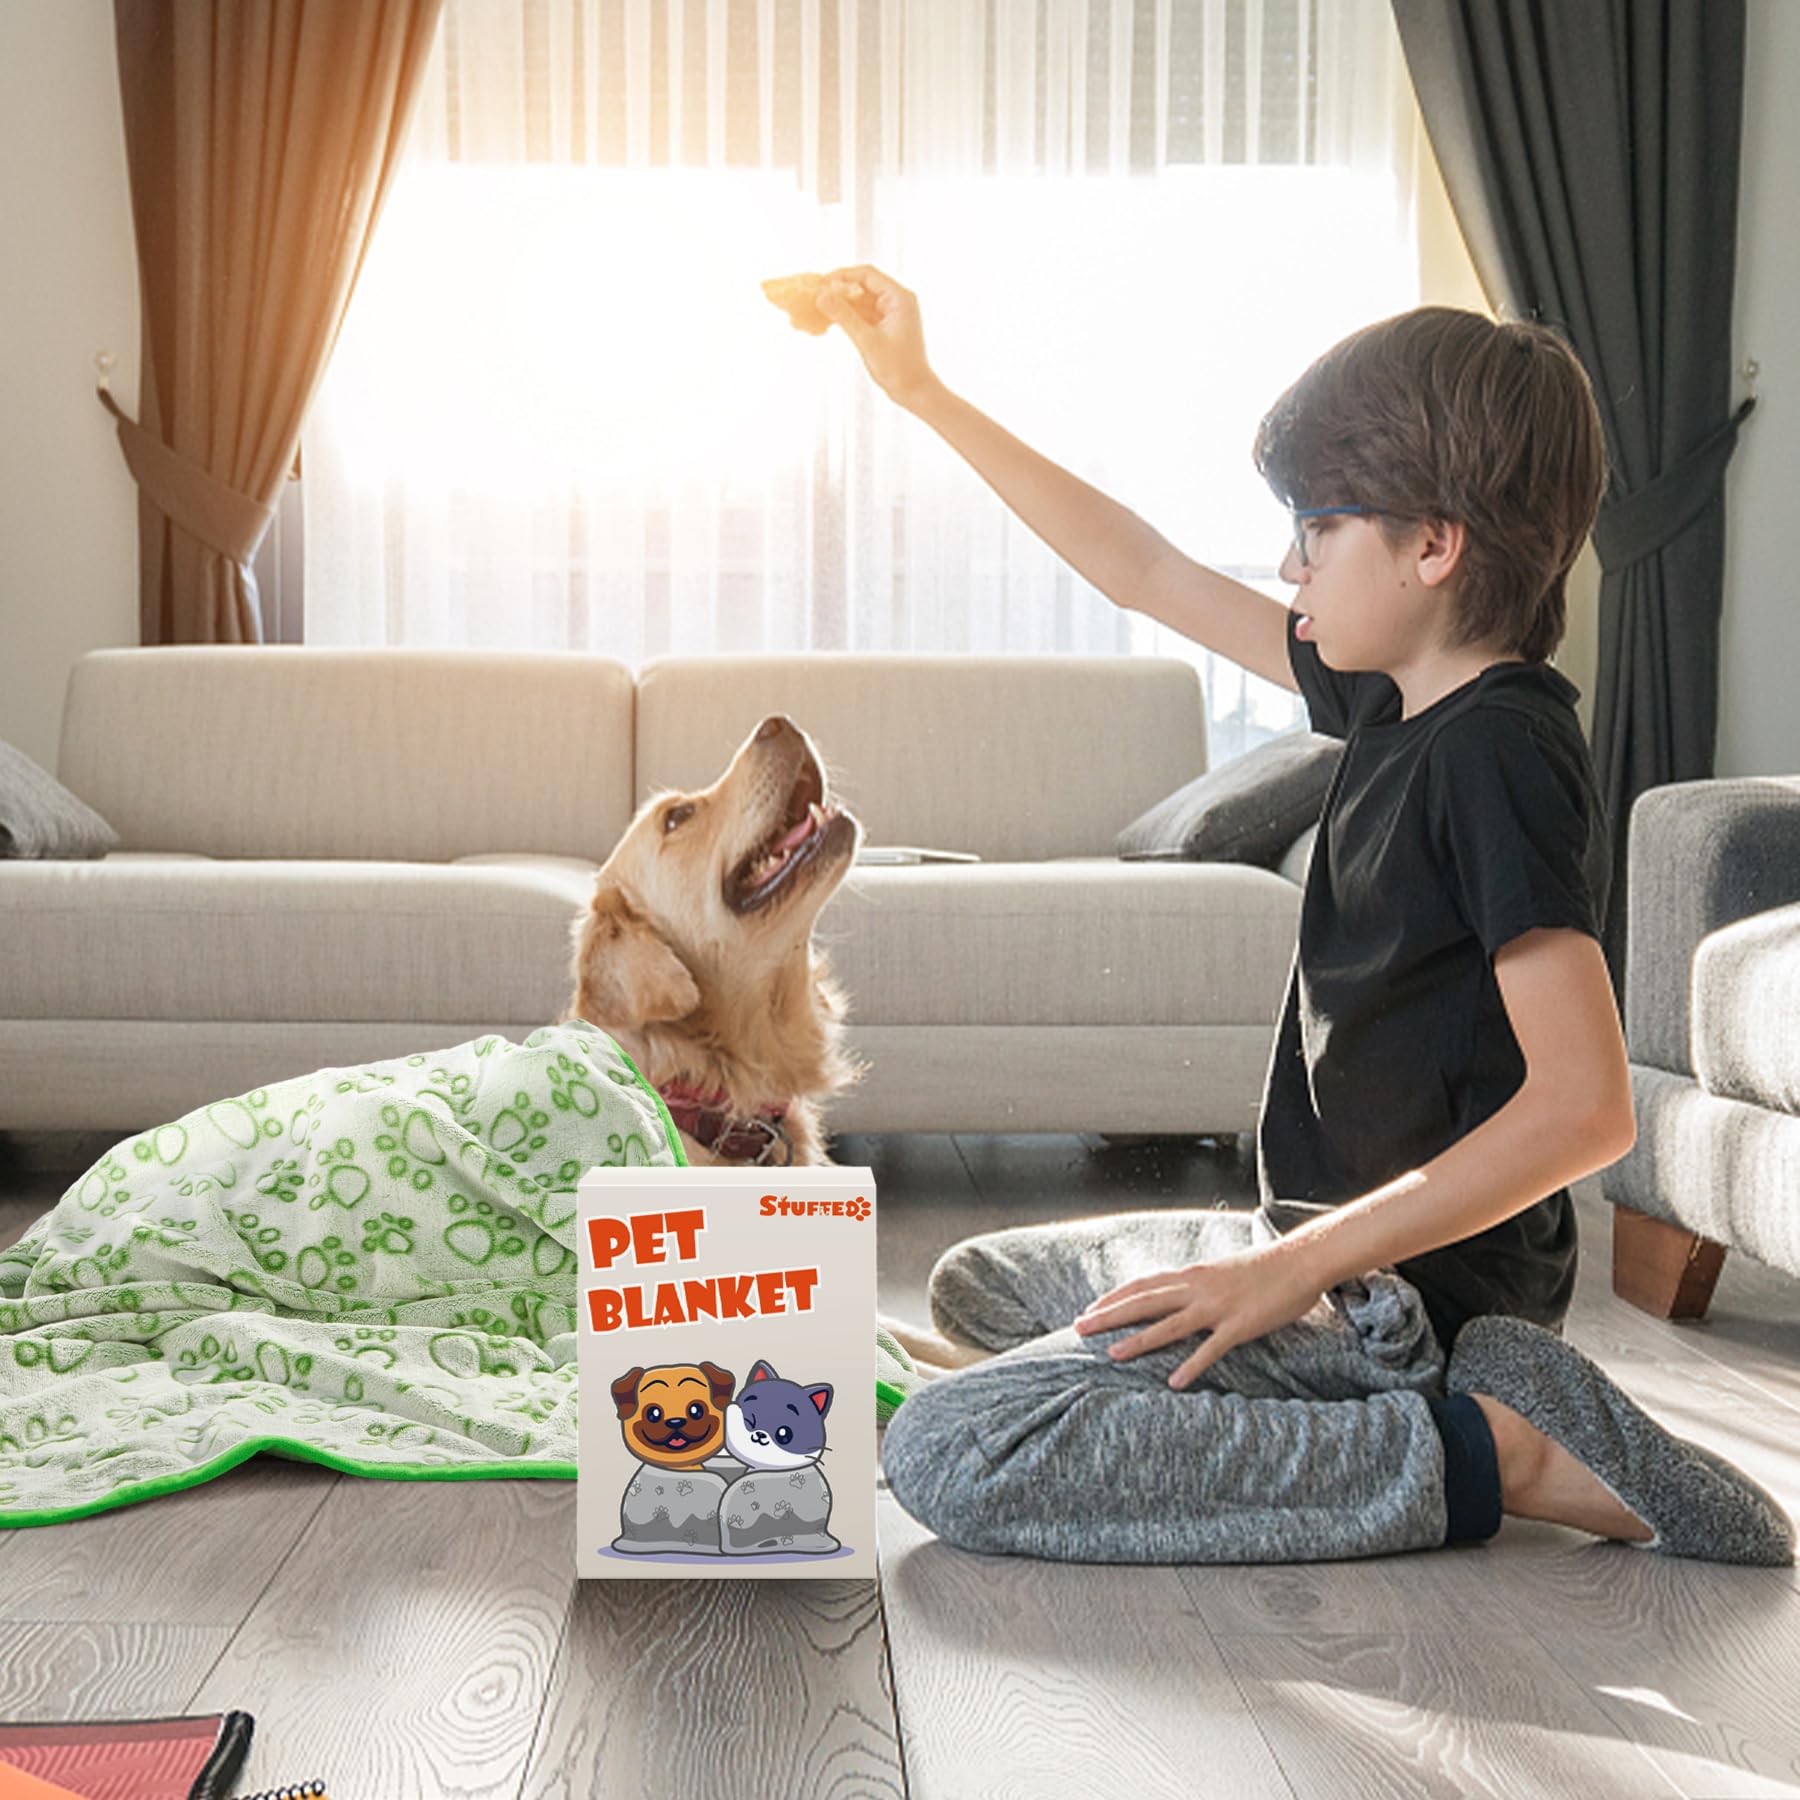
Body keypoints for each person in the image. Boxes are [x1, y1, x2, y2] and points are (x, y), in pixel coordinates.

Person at [813, 266, 1792, 1567]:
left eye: (1316, 530)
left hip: (1412, 1293)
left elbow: (1587, 1111)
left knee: (949, 1450)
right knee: (974, 1286)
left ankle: (1489, 1449)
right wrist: (921, 391)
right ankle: (1308, 1370)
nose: (1289, 566)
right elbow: (1143, 568)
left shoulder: (1503, 749)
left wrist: (1289, 1277)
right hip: (1311, 1249)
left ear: (1434, 545)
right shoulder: (1388, 696)